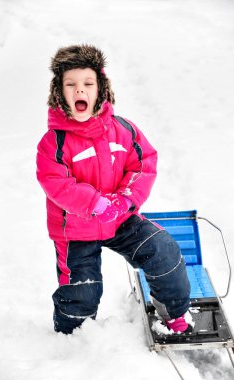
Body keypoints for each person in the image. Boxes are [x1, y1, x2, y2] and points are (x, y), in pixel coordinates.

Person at [36, 44, 191, 335]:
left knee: (164, 251)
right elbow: (55, 182)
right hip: (75, 229)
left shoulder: (124, 130)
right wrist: (95, 203)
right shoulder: (53, 142)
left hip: (121, 219)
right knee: (81, 292)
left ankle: (173, 313)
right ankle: (72, 337)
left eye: (87, 83)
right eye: (70, 84)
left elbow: (143, 164)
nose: (79, 90)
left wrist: (125, 200)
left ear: (101, 89)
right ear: (59, 92)